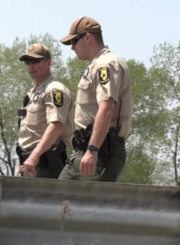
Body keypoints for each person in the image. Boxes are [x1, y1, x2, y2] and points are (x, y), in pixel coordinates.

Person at [58, 17, 132, 182]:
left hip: (99, 152)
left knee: (85, 206)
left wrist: (92, 150)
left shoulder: (106, 64)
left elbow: (107, 108)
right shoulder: (97, 64)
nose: (72, 48)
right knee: (57, 201)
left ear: (88, 38)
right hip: (87, 150)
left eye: (74, 42)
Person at [16, 43, 73, 178]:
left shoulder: (54, 89)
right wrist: (22, 163)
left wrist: (34, 156)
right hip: (30, 162)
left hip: (47, 162)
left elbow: (56, 126)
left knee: (47, 199)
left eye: (36, 61)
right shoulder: (31, 94)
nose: (31, 66)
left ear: (48, 63)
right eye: (28, 62)